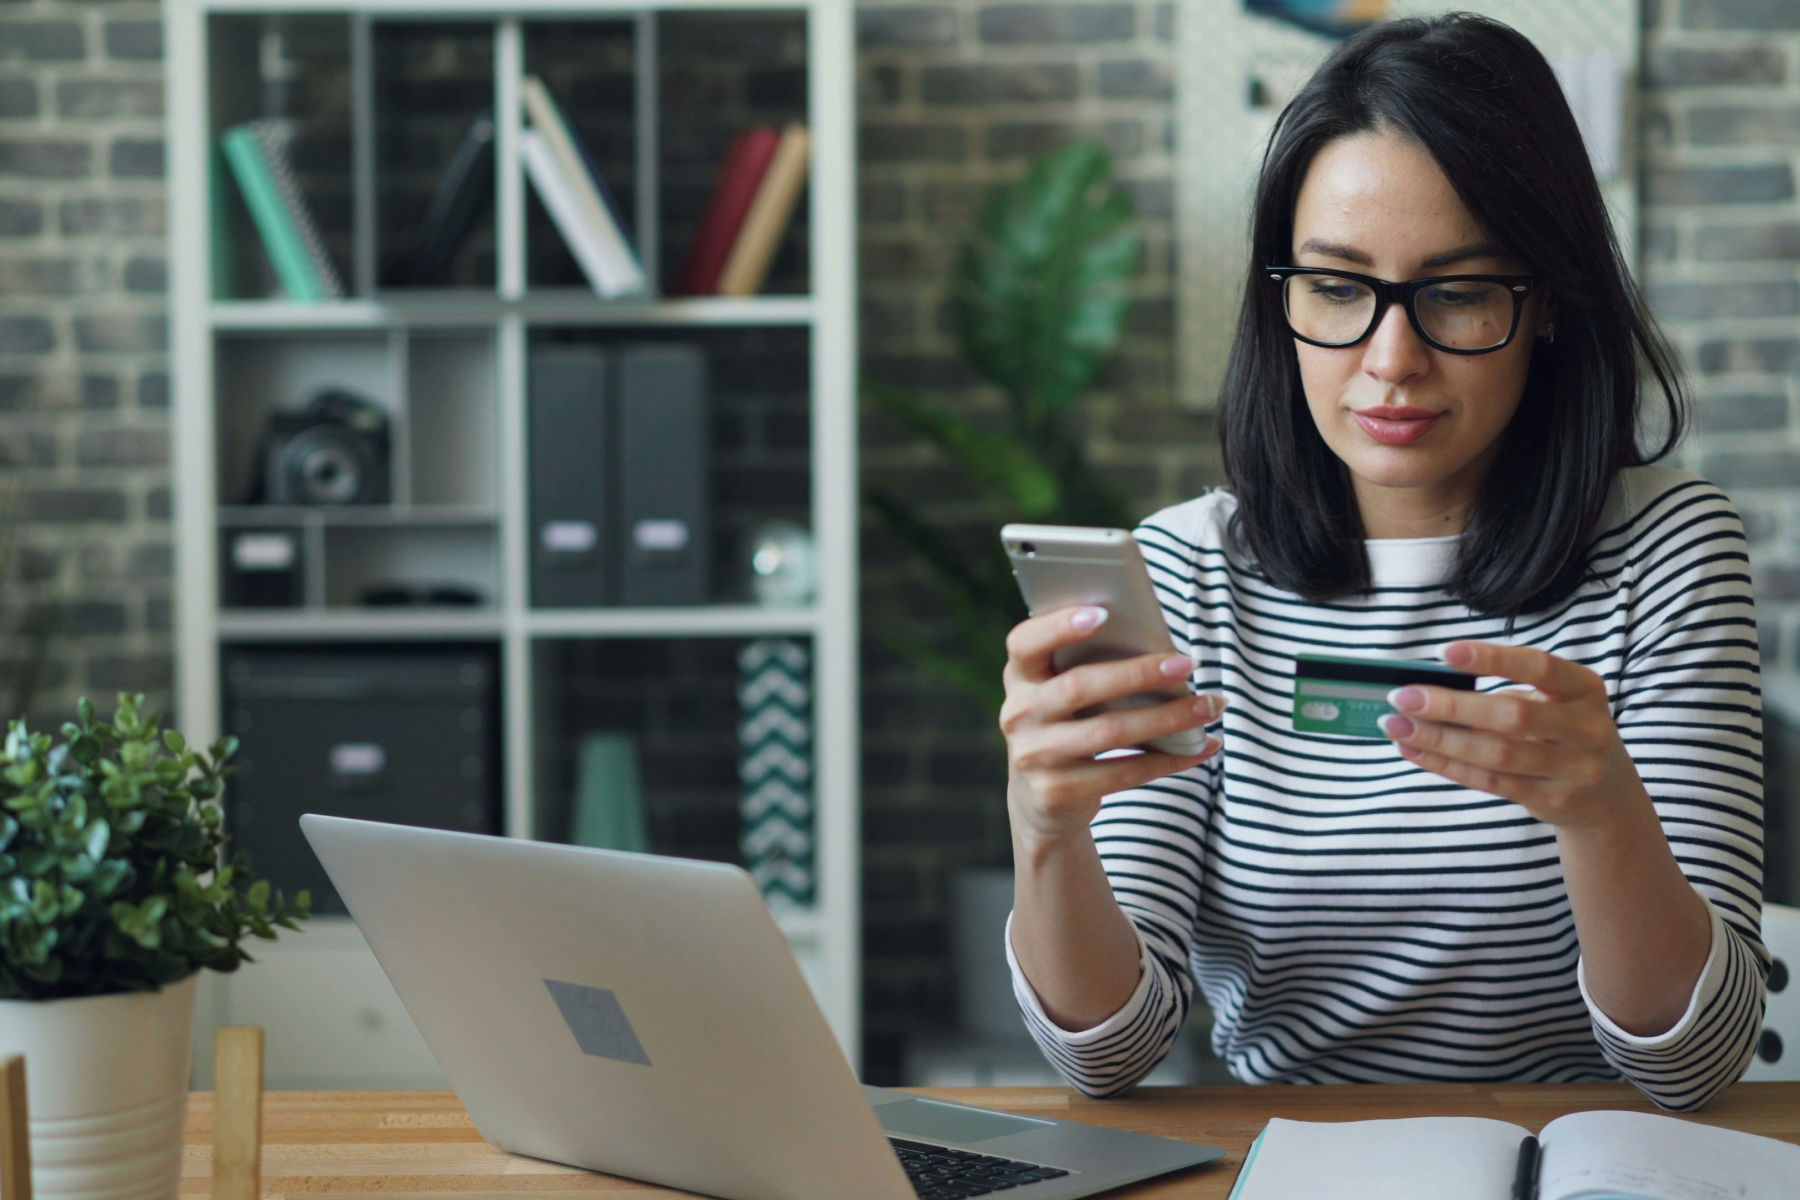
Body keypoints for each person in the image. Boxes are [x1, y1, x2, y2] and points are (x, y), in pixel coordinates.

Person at [999, 14, 1765, 1112]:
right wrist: (1046, 830)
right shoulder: (1185, 573)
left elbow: (1696, 1064)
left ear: (1544, 302)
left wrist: (1602, 816)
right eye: (1338, 288)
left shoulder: (1669, 551)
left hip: (1586, 1162)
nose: (1390, 362)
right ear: (1282, 298)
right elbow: (1105, 1059)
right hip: (1282, 1164)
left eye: (1457, 293)